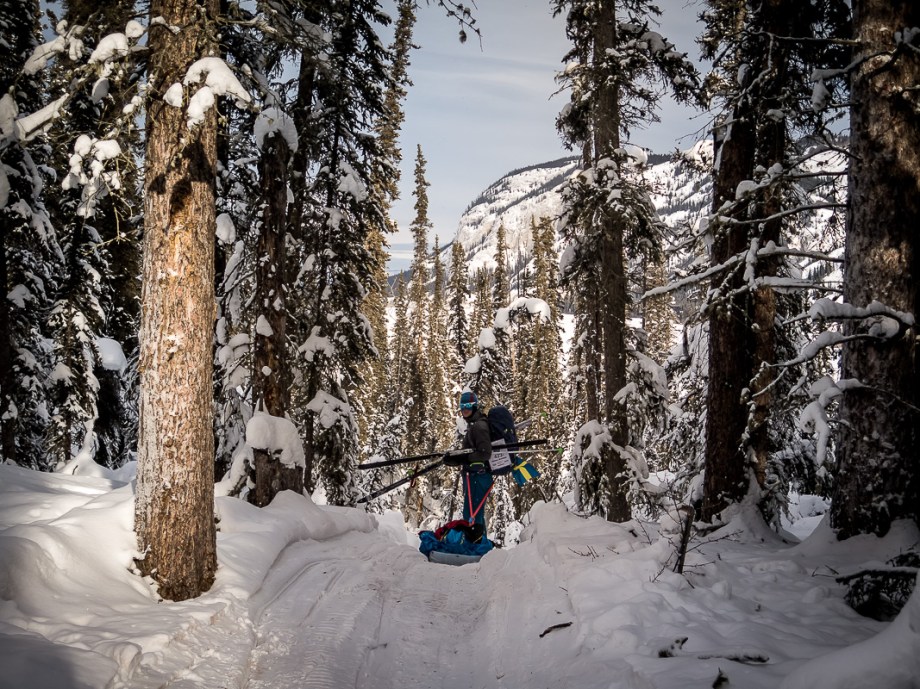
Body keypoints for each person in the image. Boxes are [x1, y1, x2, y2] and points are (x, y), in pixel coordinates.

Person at [446, 390, 494, 534]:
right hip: (474, 476)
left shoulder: (479, 426)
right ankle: (480, 546)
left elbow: (485, 453)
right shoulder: (474, 424)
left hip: (478, 476)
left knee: (471, 514)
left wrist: (464, 459)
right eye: (462, 406)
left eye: (468, 405)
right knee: (475, 514)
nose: (465, 409)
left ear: (475, 406)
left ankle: (474, 548)